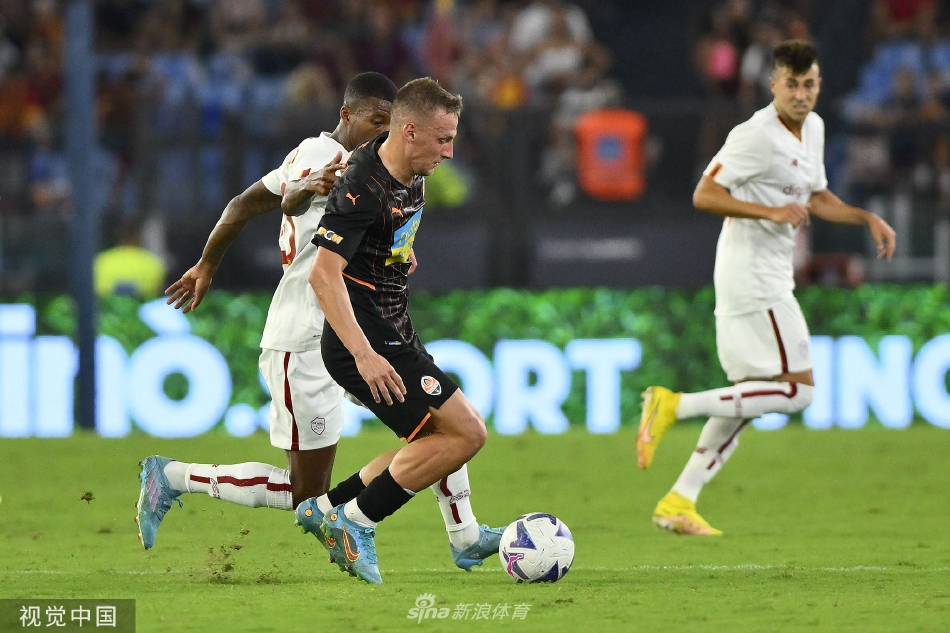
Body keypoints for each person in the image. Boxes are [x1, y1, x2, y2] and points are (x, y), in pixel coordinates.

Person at [135, 74, 500, 573]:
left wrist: (396, 250)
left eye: (389, 122)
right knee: (304, 492)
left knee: (437, 426)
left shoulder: (383, 167)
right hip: (304, 335)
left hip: (352, 323)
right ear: (348, 115)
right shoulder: (322, 157)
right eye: (377, 120)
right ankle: (174, 477)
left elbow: (241, 206)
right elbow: (287, 201)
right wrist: (304, 188)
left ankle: (464, 533)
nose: (383, 131)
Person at [636, 40, 897, 536]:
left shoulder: (814, 129)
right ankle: (672, 405)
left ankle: (679, 500)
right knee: (798, 392)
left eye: (808, 85)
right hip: (752, 275)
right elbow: (705, 194)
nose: (800, 94)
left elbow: (815, 196)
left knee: (749, 398)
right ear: (773, 85)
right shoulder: (754, 135)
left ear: (818, 86)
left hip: (768, 274)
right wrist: (770, 212)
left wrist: (865, 217)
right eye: (791, 85)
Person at [296, 77, 496, 584]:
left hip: (393, 327)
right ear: (409, 132)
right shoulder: (362, 185)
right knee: (467, 434)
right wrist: (365, 356)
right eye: (442, 139)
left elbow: (385, 238)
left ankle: (329, 507)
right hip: (366, 339)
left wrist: (398, 253)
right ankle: (355, 521)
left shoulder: (411, 171)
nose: (449, 152)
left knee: (432, 444)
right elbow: (323, 276)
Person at [94, 217, 167, 299]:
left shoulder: (101, 261)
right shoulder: (153, 262)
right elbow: (158, 294)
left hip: (106, 307)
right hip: (142, 307)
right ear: (138, 236)